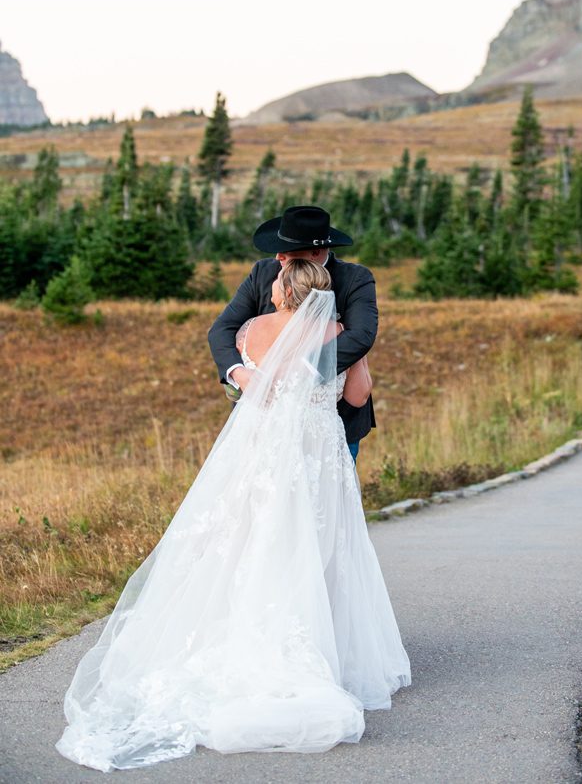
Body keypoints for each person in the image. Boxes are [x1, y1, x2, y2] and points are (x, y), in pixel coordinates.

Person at [57, 257, 410, 770]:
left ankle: (241, 626)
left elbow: (248, 380)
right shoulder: (337, 332)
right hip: (316, 456)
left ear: (283, 289)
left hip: (262, 454)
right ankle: (320, 643)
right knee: (319, 545)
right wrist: (354, 359)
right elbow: (357, 395)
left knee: (250, 540)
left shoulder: (254, 331)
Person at [210, 205, 378, 458]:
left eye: (288, 250)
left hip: (332, 423)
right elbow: (222, 329)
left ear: (315, 252)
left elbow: (360, 336)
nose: (278, 256)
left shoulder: (355, 279)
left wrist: (296, 374)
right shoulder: (263, 273)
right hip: (264, 425)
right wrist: (238, 373)